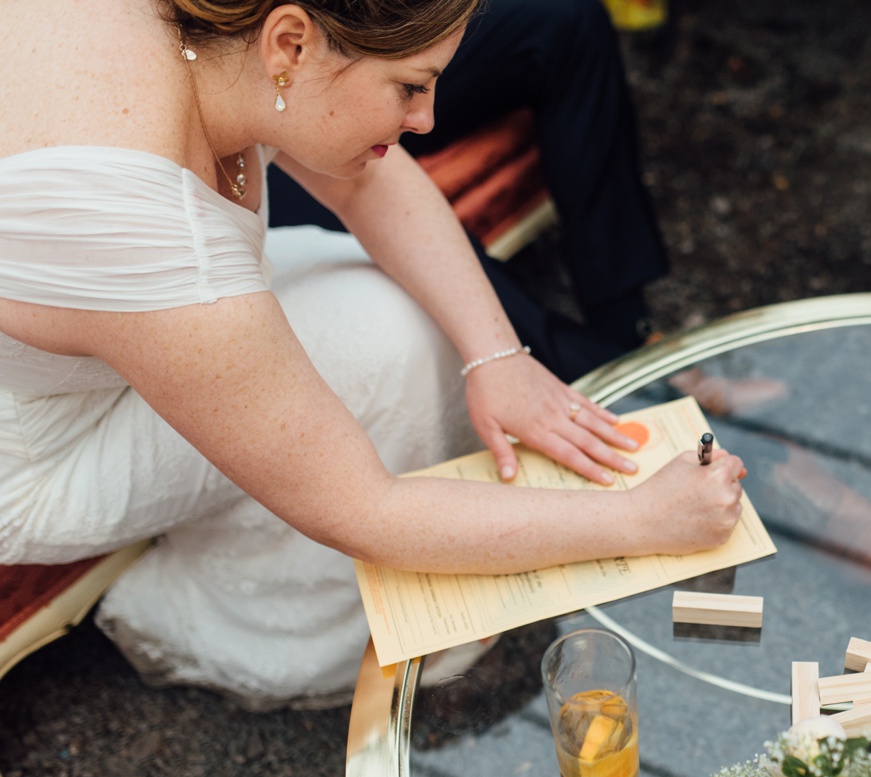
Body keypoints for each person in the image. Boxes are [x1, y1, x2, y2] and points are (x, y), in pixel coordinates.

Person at [0, 0, 745, 709]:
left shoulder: (235, 53)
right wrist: (645, 520)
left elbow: (368, 180)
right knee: (393, 346)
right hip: (42, 449)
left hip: (130, 326)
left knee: (415, 321)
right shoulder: (155, 243)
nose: (425, 120)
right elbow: (366, 509)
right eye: (410, 87)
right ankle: (203, 617)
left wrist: (497, 355)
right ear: (291, 43)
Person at [268, 0, 670, 383]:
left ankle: (626, 327)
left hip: (329, 23)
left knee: (568, 20)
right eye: (411, 89)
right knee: (418, 247)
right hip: (279, 94)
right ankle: (600, 380)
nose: (426, 121)